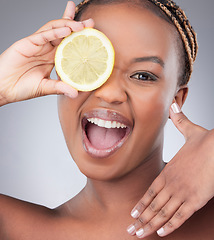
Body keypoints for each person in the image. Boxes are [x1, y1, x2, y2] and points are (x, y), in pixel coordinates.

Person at [0, 0, 213, 239]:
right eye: (91, 65)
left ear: (177, 99)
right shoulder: (11, 228)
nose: (109, 93)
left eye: (142, 75)